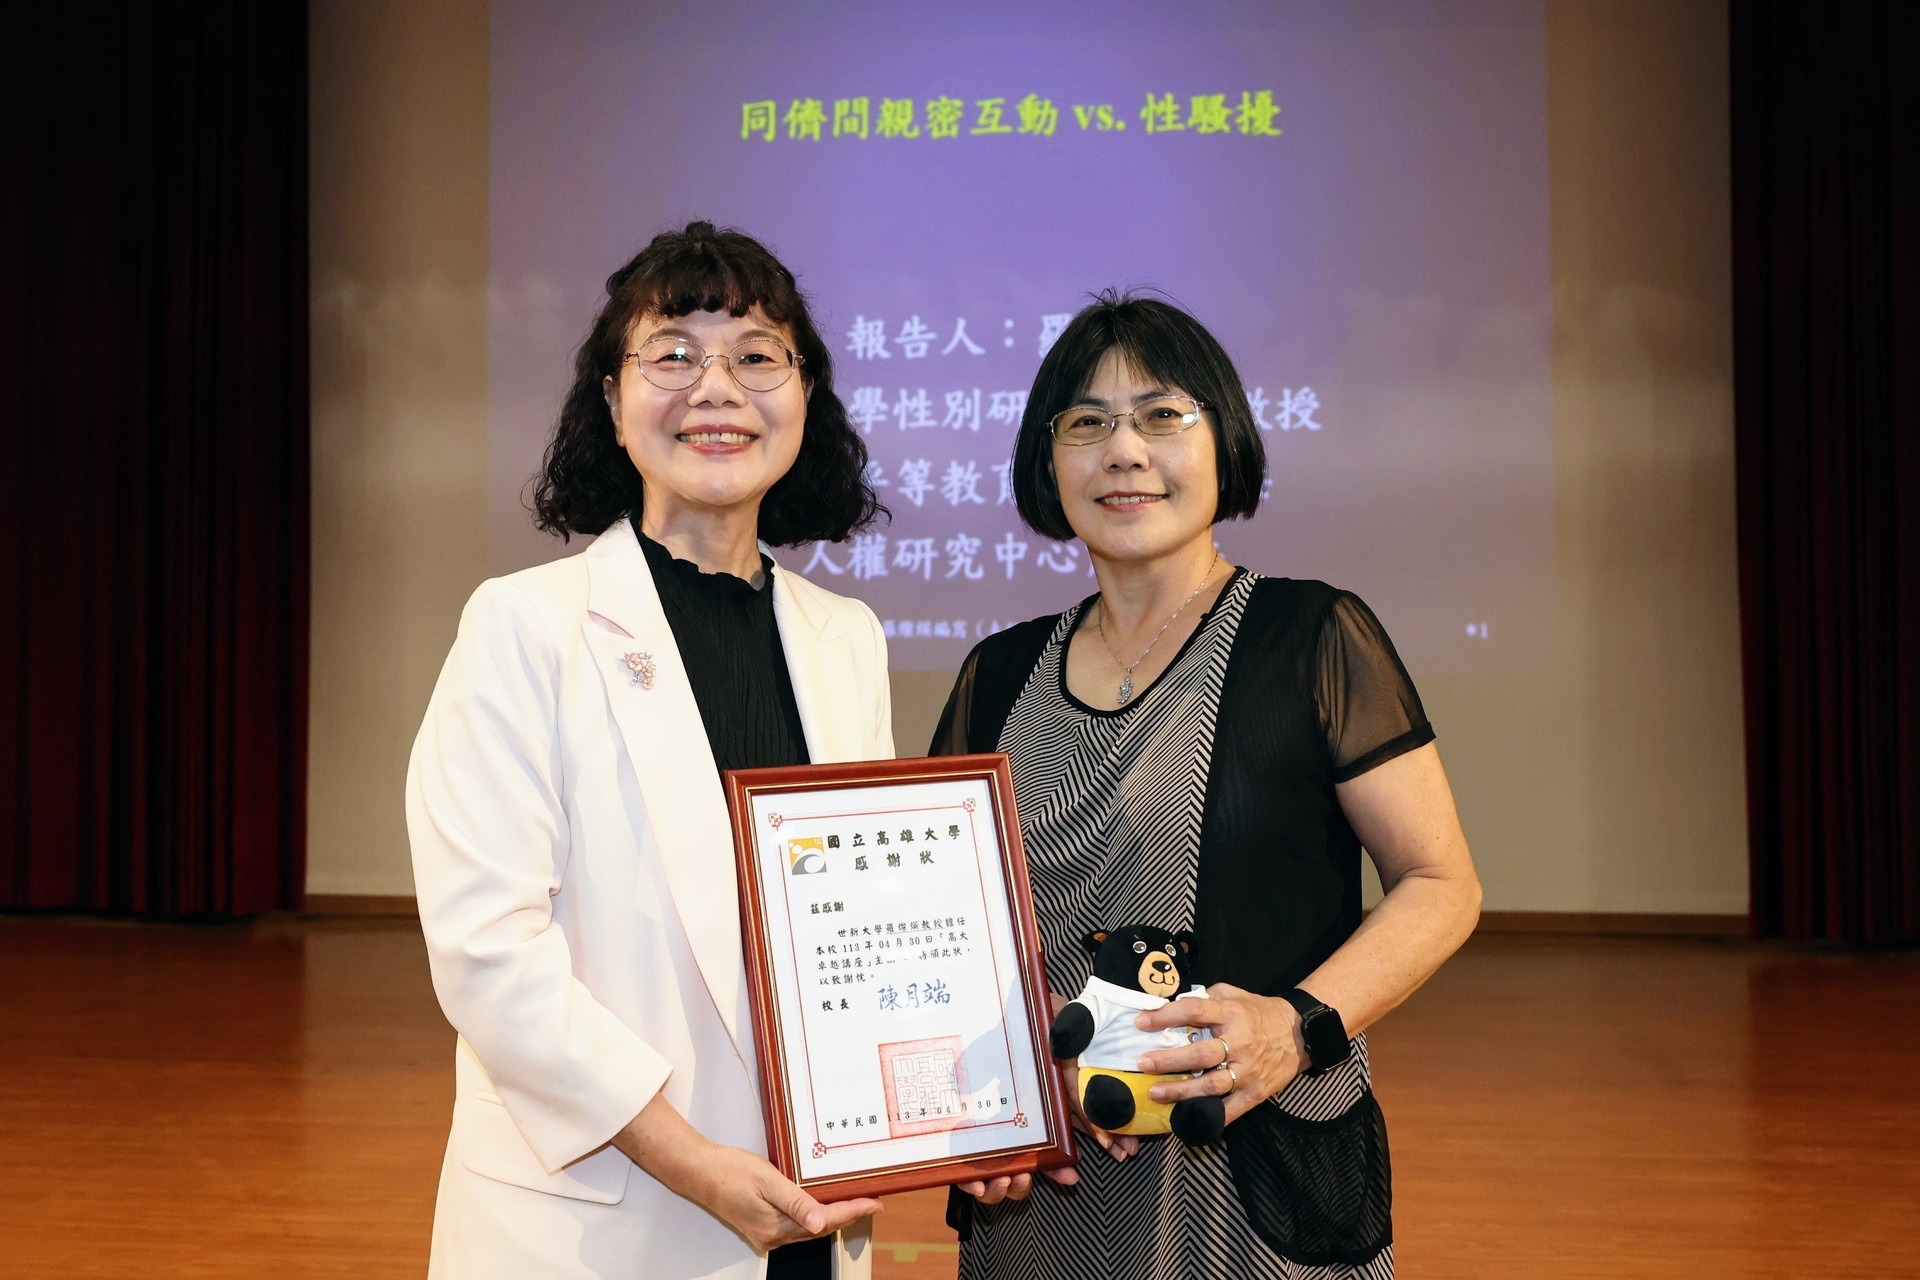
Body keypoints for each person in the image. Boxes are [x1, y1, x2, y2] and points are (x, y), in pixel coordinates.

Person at [932, 292, 1482, 1279]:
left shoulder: (1312, 637)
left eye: (1162, 415)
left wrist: (1294, 1024)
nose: (1125, 450)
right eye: (1086, 422)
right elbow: (942, 932)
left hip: (1254, 1171)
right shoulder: (997, 674)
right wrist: (990, 1085)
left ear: (1222, 440)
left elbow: (1442, 883)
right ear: (1044, 460)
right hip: (1045, 1187)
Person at [407, 222, 892, 1280]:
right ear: (612, 404)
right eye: (672, 353)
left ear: (805, 397)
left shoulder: (843, 636)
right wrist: (695, 1161)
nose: (716, 386)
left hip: (811, 1200)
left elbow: (867, 926)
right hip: (603, 1215)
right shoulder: (524, 624)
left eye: (758, 355)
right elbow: (490, 956)